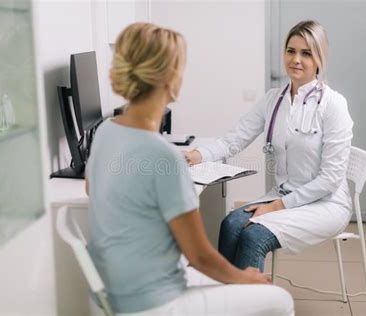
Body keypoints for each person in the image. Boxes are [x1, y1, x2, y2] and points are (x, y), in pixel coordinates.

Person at [86, 23, 294, 316]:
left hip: (109, 296)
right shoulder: (165, 158)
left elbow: (91, 189)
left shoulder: (106, 131)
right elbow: (199, 256)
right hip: (156, 304)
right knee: (279, 300)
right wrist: (246, 279)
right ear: (168, 78)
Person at [185, 20, 354, 272]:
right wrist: (197, 155)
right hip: (285, 194)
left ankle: (252, 307)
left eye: (306, 53)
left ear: (319, 58)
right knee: (230, 224)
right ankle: (227, 299)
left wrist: (276, 206)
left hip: (325, 203)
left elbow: (330, 179)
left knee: (254, 237)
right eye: (291, 50)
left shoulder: (333, 105)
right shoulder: (274, 100)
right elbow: (235, 139)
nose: (296, 59)